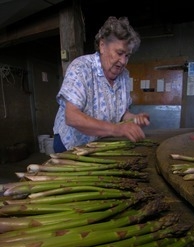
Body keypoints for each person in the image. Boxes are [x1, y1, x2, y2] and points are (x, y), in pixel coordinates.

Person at [53, 16, 150, 153]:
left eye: (127, 55)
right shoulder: (81, 68)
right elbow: (72, 117)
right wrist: (116, 129)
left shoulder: (124, 76)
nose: (123, 61)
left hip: (98, 144)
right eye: (119, 53)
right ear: (102, 46)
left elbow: (121, 114)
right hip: (71, 145)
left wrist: (135, 119)